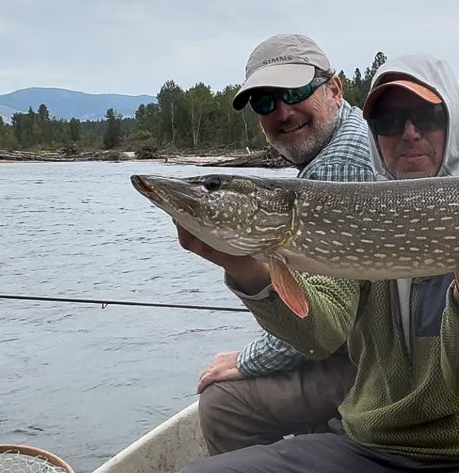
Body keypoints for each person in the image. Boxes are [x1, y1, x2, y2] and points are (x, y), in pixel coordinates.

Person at [180, 53, 459, 472]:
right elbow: (319, 336)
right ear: (374, 134)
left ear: (454, 122)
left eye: (425, 115)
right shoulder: (353, 212)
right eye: (390, 122)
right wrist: (246, 269)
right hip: (369, 448)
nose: (409, 133)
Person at [182, 33, 372, 454]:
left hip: (378, 367)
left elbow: (324, 324)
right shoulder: (354, 130)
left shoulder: (337, 167)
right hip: (375, 350)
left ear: (334, 89)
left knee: (222, 406)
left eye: (295, 92)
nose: (282, 112)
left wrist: (249, 360)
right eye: (265, 102)